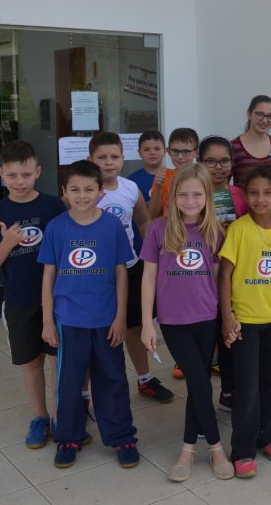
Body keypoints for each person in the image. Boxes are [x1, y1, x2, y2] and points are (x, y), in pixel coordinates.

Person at [39, 160, 137, 469]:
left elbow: (121, 273)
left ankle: (122, 438)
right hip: (69, 321)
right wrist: (47, 321)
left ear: (100, 192)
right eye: (75, 190)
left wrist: (121, 317)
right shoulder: (56, 227)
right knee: (69, 383)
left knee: (113, 380)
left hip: (107, 321)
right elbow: (48, 277)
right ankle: (68, 437)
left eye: (89, 189)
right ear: (64, 192)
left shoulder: (112, 226)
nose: (82, 196)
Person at [138, 164, 231, 482]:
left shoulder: (215, 232)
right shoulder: (158, 229)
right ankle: (216, 447)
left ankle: (188, 449)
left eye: (197, 194)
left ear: (207, 196)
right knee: (200, 382)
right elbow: (148, 277)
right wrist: (147, 323)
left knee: (197, 383)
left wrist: (225, 319)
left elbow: (218, 280)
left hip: (207, 318)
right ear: (172, 196)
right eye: (183, 194)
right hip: (173, 320)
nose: (190, 201)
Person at [0, 140, 68, 449]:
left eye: (26, 175)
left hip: (57, 299)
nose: (20, 182)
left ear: (38, 172)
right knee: (31, 362)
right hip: (19, 300)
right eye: (12, 175)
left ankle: (62, 416)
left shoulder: (53, 206)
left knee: (58, 361)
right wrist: (7, 243)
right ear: (1, 173)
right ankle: (40, 417)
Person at [219, 164, 271, 478]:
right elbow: (224, 277)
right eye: (253, 193)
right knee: (247, 388)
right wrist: (227, 317)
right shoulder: (238, 230)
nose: (260, 199)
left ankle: (268, 437)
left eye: (267, 193)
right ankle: (242, 450)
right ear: (245, 196)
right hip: (245, 324)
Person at [88, 132, 171, 403]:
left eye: (114, 156)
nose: (108, 162)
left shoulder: (130, 188)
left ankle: (145, 379)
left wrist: (153, 255)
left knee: (134, 327)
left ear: (123, 159)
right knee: (94, 332)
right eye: (101, 157)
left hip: (131, 267)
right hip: (97, 274)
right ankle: (84, 393)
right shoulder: (85, 193)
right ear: (90, 159)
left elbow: (144, 221)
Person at [195, 135, 248, 398]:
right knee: (204, 340)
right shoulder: (192, 195)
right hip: (200, 277)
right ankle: (200, 398)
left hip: (233, 277)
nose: (218, 168)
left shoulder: (240, 195)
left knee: (230, 336)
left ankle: (229, 392)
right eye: (211, 161)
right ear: (200, 162)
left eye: (224, 161)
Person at [230, 95, 271, 188]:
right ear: (249, 114)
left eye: (270, 116)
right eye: (260, 114)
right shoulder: (233, 147)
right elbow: (223, 183)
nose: (265, 120)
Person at [148, 128, 200, 218]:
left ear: (196, 153)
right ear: (168, 151)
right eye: (175, 151)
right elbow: (152, 215)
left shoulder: (202, 177)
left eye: (186, 152)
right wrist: (158, 188)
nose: (180, 157)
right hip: (168, 226)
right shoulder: (163, 178)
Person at [127, 130, 166, 207]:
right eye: (147, 149)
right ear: (139, 153)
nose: (152, 153)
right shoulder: (131, 181)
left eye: (157, 149)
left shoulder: (175, 176)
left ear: (164, 151)